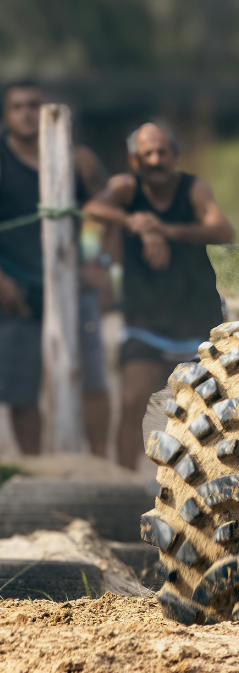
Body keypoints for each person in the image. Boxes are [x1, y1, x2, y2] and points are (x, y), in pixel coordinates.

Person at [83, 122, 234, 469]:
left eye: (162, 152)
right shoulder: (125, 188)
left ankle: (209, 480)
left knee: (205, 412)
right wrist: (135, 222)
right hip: (145, 319)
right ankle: (122, 479)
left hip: (195, 316)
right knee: (132, 400)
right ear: (134, 159)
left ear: (175, 156)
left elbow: (222, 228)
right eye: (147, 153)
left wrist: (163, 229)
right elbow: (94, 208)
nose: (155, 159)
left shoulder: (193, 188)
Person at [0, 80, 112, 456]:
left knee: (93, 379)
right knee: (20, 389)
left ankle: (101, 466)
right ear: (6, 114)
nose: (27, 113)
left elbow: (103, 213)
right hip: (18, 290)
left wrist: (100, 262)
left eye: (34, 104)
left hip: (73, 284)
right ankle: (36, 470)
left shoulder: (77, 158)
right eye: (18, 106)